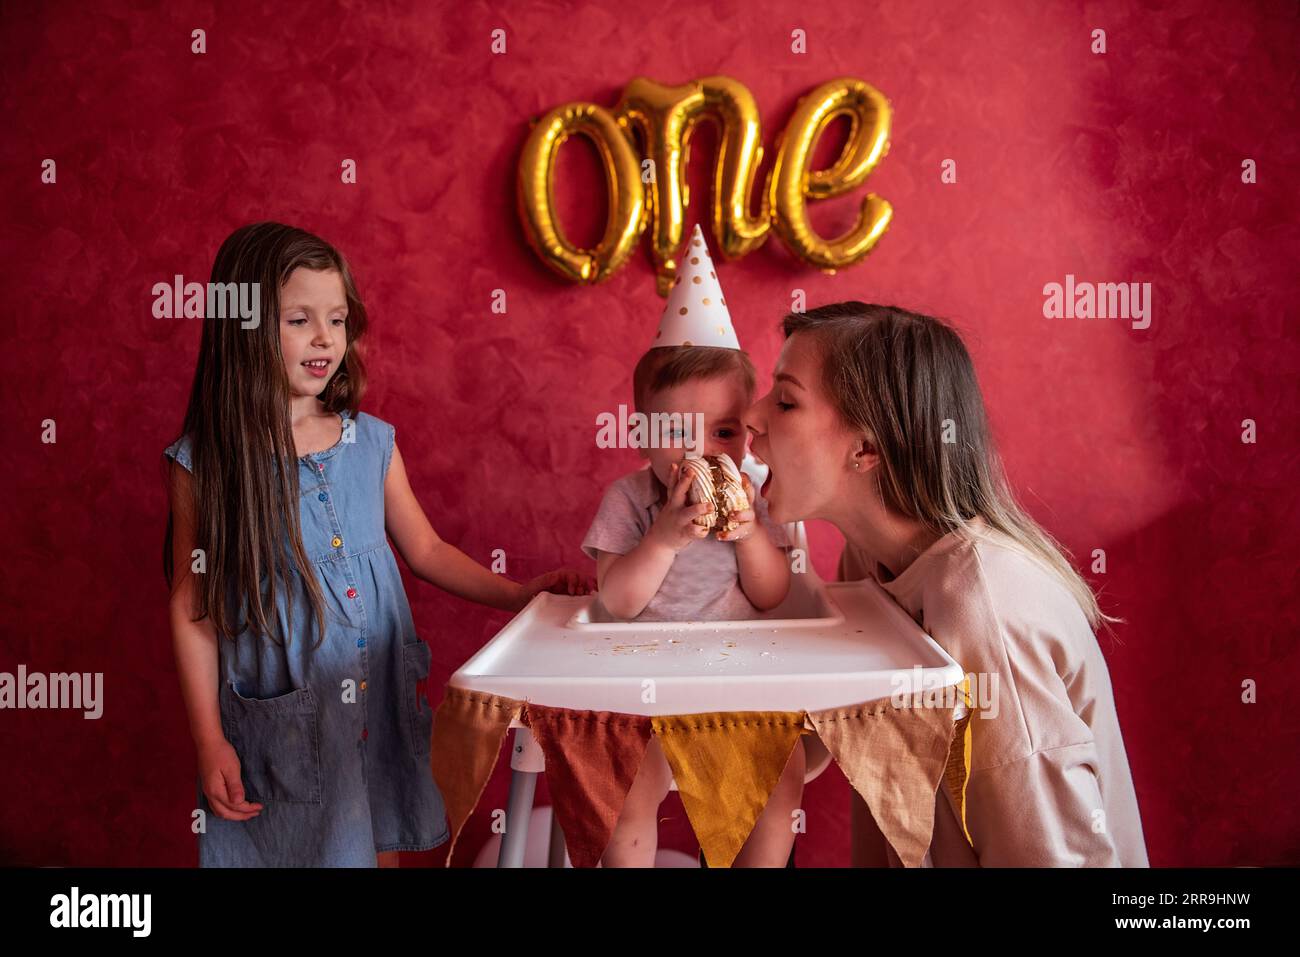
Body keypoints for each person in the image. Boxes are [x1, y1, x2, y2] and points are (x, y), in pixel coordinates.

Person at [163, 221, 590, 867]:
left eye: (336, 318)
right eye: (299, 318)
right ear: (244, 327)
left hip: (370, 694)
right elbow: (192, 609)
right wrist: (207, 737)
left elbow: (428, 550)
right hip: (281, 708)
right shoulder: (207, 464)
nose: (324, 338)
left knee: (372, 840)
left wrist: (516, 593)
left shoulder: (371, 441)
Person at [746, 301, 1148, 866]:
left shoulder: (986, 608)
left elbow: (1050, 854)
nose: (753, 417)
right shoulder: (868, 564)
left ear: (866, 448)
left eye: (785, 401)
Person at [580, 225, 797, 867]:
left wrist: (752, 534)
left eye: (724, 430)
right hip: (643, 674)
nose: (702, 448)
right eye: (677, 430)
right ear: (642, 436)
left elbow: (772, 594)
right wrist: (663, 541)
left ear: (748, 431)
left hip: (739, 678)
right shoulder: (630, 501)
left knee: (776, 786)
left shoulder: (759, 493)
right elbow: (617, 602)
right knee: (624, 788)